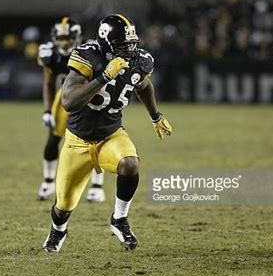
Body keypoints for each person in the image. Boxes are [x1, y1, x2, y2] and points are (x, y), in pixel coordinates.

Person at [42, 14, 173, 252]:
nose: (130, 49)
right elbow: (69, 102)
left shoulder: (139, 60)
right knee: (63, 206)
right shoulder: (88, 56)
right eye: (123, 45)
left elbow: (142, 84)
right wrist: (104, 76)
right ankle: (58, 231)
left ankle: (119, 219)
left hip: (111, 135)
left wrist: (155, 116)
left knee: (130, 164)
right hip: (77, 141)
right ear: (106, 43)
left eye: (132, 43)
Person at [37, 17, 105, 202]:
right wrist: (47, 110)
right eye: (60, 38)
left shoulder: (89, 50)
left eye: (68, 38)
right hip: (62, 100)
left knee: (95, 140)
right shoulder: (48, 53)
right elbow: (48, 83)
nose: (64, 42)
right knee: (53, 139)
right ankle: (48, 181)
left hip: (87, 99)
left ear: (77, 37)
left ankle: (97, 186)